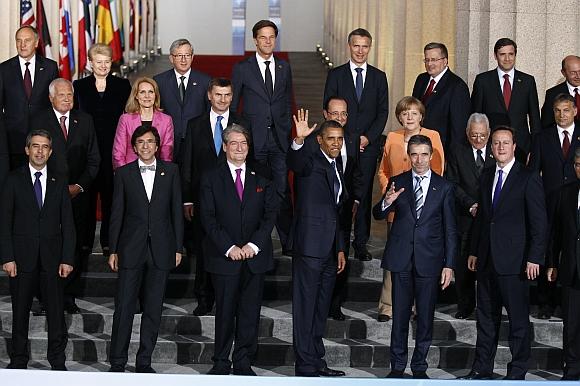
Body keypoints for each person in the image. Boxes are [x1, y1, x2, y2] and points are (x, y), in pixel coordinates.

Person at [460, 126, 547, 381]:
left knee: (518, 321)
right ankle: (481, 368)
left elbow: (539, 223)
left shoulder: (528, 177)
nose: (500, 147)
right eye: (496, 143)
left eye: (505, 143)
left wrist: (535, 257)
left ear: (514, 146)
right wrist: (475, 251)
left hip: (516, 262)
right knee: (485, 319)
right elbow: (484, 218)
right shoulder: (487, 175)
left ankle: (518, 370)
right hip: (486, 260)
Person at [373, 134, 456, 379]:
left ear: (431, 156)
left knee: (425, 318)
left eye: (423, 154)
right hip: (401, 259)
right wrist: (387, 201)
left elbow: (451, 230)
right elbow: (378, 213)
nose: (419, 159)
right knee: (399, 316)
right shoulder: (398, 182)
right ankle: (397, 366)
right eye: (414, 154)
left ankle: (419, 366)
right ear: (408, 157)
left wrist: (449, 264)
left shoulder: (445, 187)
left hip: (429, 261)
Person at [199, 124, 276, 376]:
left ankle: (243, 361)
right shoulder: (211, 176)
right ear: (225, 146)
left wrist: (253, 245)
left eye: (243, 143)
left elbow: (269, 215)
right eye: (234, 143)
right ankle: (221, 361)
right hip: (225, 258)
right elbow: (208, 218)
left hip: (255, 257)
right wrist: (229, 247)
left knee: (249, 312)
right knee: (224, 312)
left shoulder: (262, 174)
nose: (240, 148)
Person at [108, 126, 183, 373]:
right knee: (124, 308)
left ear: (158, 145)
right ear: (134, 146)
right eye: (140, 142)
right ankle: (117, 362)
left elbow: (176, 213)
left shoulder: (171, 171)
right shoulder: (124, 173)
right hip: (130, 249)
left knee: (153, 308)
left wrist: (178, 247)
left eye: (150, 142)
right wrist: (113, 249)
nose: (146, 146)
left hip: (162, 249)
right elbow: (116, 214)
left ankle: (144, 362)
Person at [0, 129, 75, 370]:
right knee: (20, 312)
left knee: (55, 313)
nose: (40, 151)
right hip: (21, 260)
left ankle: (57, 360)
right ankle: (19, 359)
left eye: (44, 147)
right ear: (27, 149)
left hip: (52, 260)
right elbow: (4, 222)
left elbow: (69, 224)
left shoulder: (59, 180)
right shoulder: (13, 179)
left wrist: (67, 258)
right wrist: (7, 257)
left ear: (50, 151)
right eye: (35, 146)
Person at [29, 78, 100, 315]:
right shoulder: (39, 120)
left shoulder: (85, 121)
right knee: (45, 245)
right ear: (51, 98)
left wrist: (79, 186)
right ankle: (43, 297)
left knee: (76, 245)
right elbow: (34, 157)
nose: (68, 99)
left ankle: (68, 295)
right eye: (62, 95)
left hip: (78, 197)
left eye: (70, 94)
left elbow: (94, 160)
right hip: (47, 195)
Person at [181, 77, 250, 316]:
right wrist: (187, 199)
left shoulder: (243, 123)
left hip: (235, 198)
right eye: (218, 95)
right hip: (203, 200)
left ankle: (231, 298)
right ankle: (204, 297)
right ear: (209, 96)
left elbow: (250, 160)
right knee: (205, 250)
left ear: (232, 97)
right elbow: (187, 164)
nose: (223, 99)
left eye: (227, 95)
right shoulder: (194, 125)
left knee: (233, 245)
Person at [375, 96, 444, 322]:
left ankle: (415, 306)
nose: (409, 117)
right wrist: (390, 193)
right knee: (395, 256)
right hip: (397, 208)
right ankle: (388, 306)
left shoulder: (432, 137)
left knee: (419, 258)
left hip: (424, 210)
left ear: (421, 116)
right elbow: (383, 170)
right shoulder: (393, 138)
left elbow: (438, 170)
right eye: (405, 114)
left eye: (414, 113)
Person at [323, 28, 389, 262]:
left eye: (365, 46)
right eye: (356, 46)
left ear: (369, 48)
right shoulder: (336, 75)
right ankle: (336, 239)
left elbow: (383, 113)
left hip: (368, 146)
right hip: (339, 144)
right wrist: (346, 139)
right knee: (340, 189)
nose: (360, 51)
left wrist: (367, 138)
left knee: (363, 192)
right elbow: (329, 108)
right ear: (349, 47)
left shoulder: (379, 77)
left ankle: (360, 242)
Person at [288, 120, 346, 377]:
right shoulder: (310, 160)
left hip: (331, 250)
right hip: (309, 247)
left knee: (321, 309)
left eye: (340, 138)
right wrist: (299, 141)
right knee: (305, 309)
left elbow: (338, 212)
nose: (336, 143)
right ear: (320, 140)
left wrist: (341, 248)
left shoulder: (338, 166)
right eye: (331, 138)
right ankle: (304, 364)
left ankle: (317, 359)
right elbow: (295, 163)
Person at [231, 20, 294, 252]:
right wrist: (240, 136)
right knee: (254, 191)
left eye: (271, 37)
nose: (268, 41)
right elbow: (233, 104)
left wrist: (286, 128)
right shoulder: (242, 68)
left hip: (278, 140)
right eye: (263, 37)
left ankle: (288, 242)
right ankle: (256, 242)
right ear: (255, 40)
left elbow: (287, 100)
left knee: (282, 189)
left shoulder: (284, 67)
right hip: (253, 140)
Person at [73, 43, 131, 257]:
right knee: (86, 198)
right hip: (86, 150)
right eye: (99, 62)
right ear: (90, 63)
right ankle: (85, 241)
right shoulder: (78, 86)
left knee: (111, 197)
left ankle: (108, 240)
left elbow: (128, 117)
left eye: (107, 62)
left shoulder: (123, 85)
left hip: (112, 150)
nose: (103, 66)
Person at [529, 93, 579, 319]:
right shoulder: (542, 137)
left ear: (575, 111)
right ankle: (545, 302)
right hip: (549, 203)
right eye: (557, 110)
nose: (562, 115)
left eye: (566, 110)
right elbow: (533, 174)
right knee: (548, 248)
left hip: (576, 203)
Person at [445, 113, 494, 319]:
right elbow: (452, 183)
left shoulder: (497, 149)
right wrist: (471, 204)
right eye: (474, 135)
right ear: (467, 133)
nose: (478, 140)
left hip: (491, 217)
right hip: (465, 216)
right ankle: (465, 305)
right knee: (463, 263)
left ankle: (488, 305)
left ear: (489, 133)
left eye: (482, 136)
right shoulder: (458, 151)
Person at [471, 38, 541, 163]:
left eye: (511, 54)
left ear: (515, 55)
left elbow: (535, 118)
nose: (507, 58)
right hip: (492, 146)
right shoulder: (483, 81)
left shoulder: (528, 81)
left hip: (522, 147)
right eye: (502, 54)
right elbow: (475, 115)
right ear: (495, 56)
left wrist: (535, 149)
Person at [0, 25, 58, 169]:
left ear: (37, 43)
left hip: (42, 138)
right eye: (19, 41)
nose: (22, 44)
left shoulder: (50, 67)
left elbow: (54, 103)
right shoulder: (4, 69)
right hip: (13, 139)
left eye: (27, 40)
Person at [547, 147, 580, 381]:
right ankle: (573, 368)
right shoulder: (565, 192)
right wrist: (552, 263)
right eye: (577, 164)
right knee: (572, 324)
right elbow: (555, 233)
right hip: (571, 268)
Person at [153, 38, 210, 163]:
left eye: (187, 55)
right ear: (171, 58)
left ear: (192, 57)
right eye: (179, 55)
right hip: (168, 142)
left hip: (196, 142)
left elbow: (208, 112)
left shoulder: (205, 81)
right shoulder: (159, 81)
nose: (184, 60)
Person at [411, 42, 471, 149]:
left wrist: (452, 158)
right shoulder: (421, 79)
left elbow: (458, 128)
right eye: (427, 60)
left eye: (434, 60)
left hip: (441, 148)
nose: (429, 64)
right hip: (418, 146)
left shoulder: (457, 86)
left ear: (445, 61)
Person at [113, 77, 174, 169]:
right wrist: (125, 175)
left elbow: (166, 154)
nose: (147, 96)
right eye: (142, 92)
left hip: (156, 172)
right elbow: (118, 153)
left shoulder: (166, 120)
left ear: (155, 95)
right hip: (129, 172)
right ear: (136, 96)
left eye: (151, 92)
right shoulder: (125, 119)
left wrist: (163, 176)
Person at [540, 55, 580, 128]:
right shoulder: (552, 94)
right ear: (563, 73)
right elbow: (546, 124)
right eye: (573, 73)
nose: (578, 76)